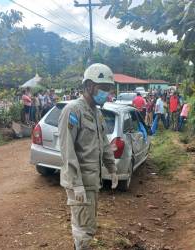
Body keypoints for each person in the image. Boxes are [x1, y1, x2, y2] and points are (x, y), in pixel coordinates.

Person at [58, 63, 118, 250]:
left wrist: (112, 168)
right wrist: (76, 184)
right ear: (90, 86)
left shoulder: (97, 113)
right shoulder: (73, 111)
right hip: (80, 182)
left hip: (92, 181)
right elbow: (67, 151)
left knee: (88, 225)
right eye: (103, 88)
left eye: (109, 89)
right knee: (83, 229)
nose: (107, 93)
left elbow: (104, 144)